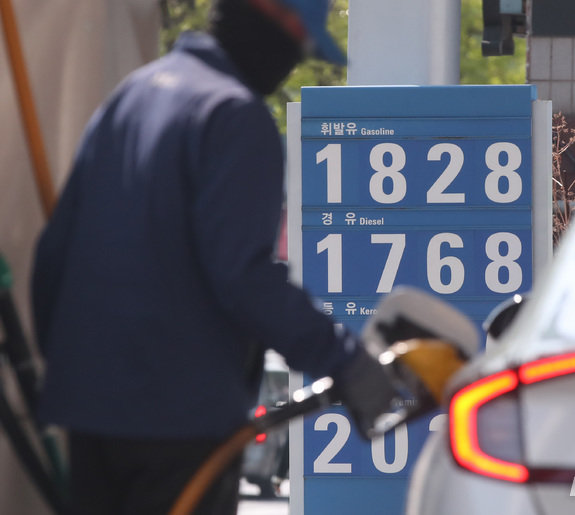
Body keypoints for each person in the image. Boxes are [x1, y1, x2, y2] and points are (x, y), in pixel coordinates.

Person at [30, 1, 395, 513]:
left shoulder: (133, 94)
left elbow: (55, 253)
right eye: (299, 40)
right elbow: (243, 276)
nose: (294, 58)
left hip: (91, 412)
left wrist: (75, 375)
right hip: (178, 419)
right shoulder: (232, 114)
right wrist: (345, 360)